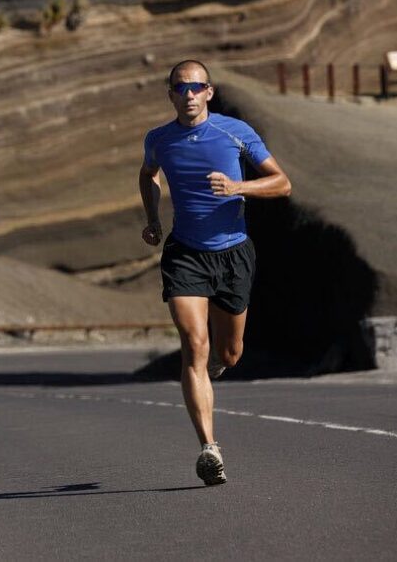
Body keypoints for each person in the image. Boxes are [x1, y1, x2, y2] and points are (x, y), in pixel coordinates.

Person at [139, 60, 291, 486]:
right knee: (194, 344)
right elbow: (148, 174)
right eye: (179, 88)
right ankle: (209, 447)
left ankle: (219, 365)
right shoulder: (159, 139)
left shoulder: (234, 132)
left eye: (195, 87)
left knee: (229, 353)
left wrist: (238, 186)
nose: (187, 94)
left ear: (209, 92)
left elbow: (282, 183)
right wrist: (153, 217)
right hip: (185, 254)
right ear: (170, 94)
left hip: (233, 254)